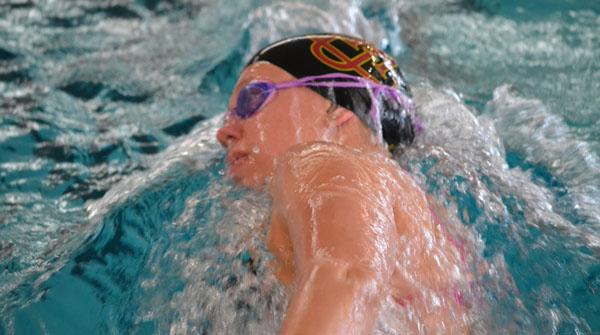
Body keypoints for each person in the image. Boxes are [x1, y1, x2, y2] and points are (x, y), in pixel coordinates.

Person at [216, 34, 469, 334]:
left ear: (337, 112)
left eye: (253, 99)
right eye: (228, 115)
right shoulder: (426, 214)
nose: (224, 132)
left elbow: (348, 276)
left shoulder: (323, 164)